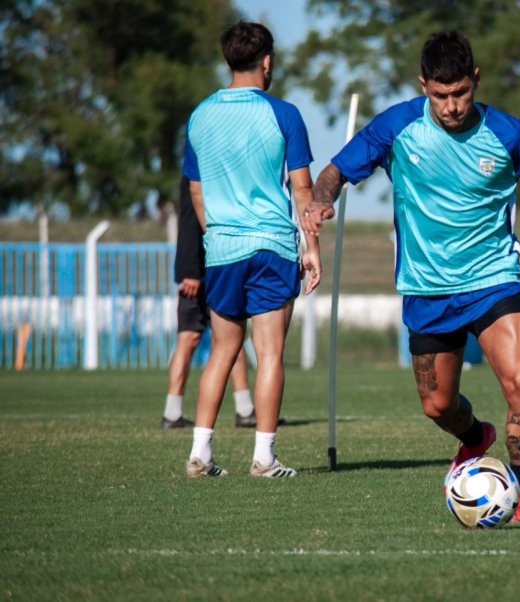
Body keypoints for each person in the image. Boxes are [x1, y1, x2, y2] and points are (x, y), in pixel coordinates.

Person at [302, 30, 520, 523]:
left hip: (493, 280)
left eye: (461, 92)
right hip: (427, 289)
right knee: (438, 406)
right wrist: (321, 201)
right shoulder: (397, 127)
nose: (451, 106)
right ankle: (475, 437)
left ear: (476, 80)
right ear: (423, 86)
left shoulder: (512, 135)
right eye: (440, 95)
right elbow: (335, 172)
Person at [182, 21, 320, 477]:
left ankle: (200, 453)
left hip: (223, 248)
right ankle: (264, 457)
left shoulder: (200, 116)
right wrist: (312, 248)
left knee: (223, 351)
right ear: (267, 61)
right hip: (272, 246)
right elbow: (303, 191)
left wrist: (217, 236)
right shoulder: (285, 114)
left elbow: (197, 191)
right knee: (270, 353)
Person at [161, 176, 262, 430]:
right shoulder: (197, 167)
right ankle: (172, 413)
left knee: (232, 335)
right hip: (199, 270)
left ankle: (245, 409)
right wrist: (190, 271)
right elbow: (189, 219)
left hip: (220, 264)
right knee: (189, 337)